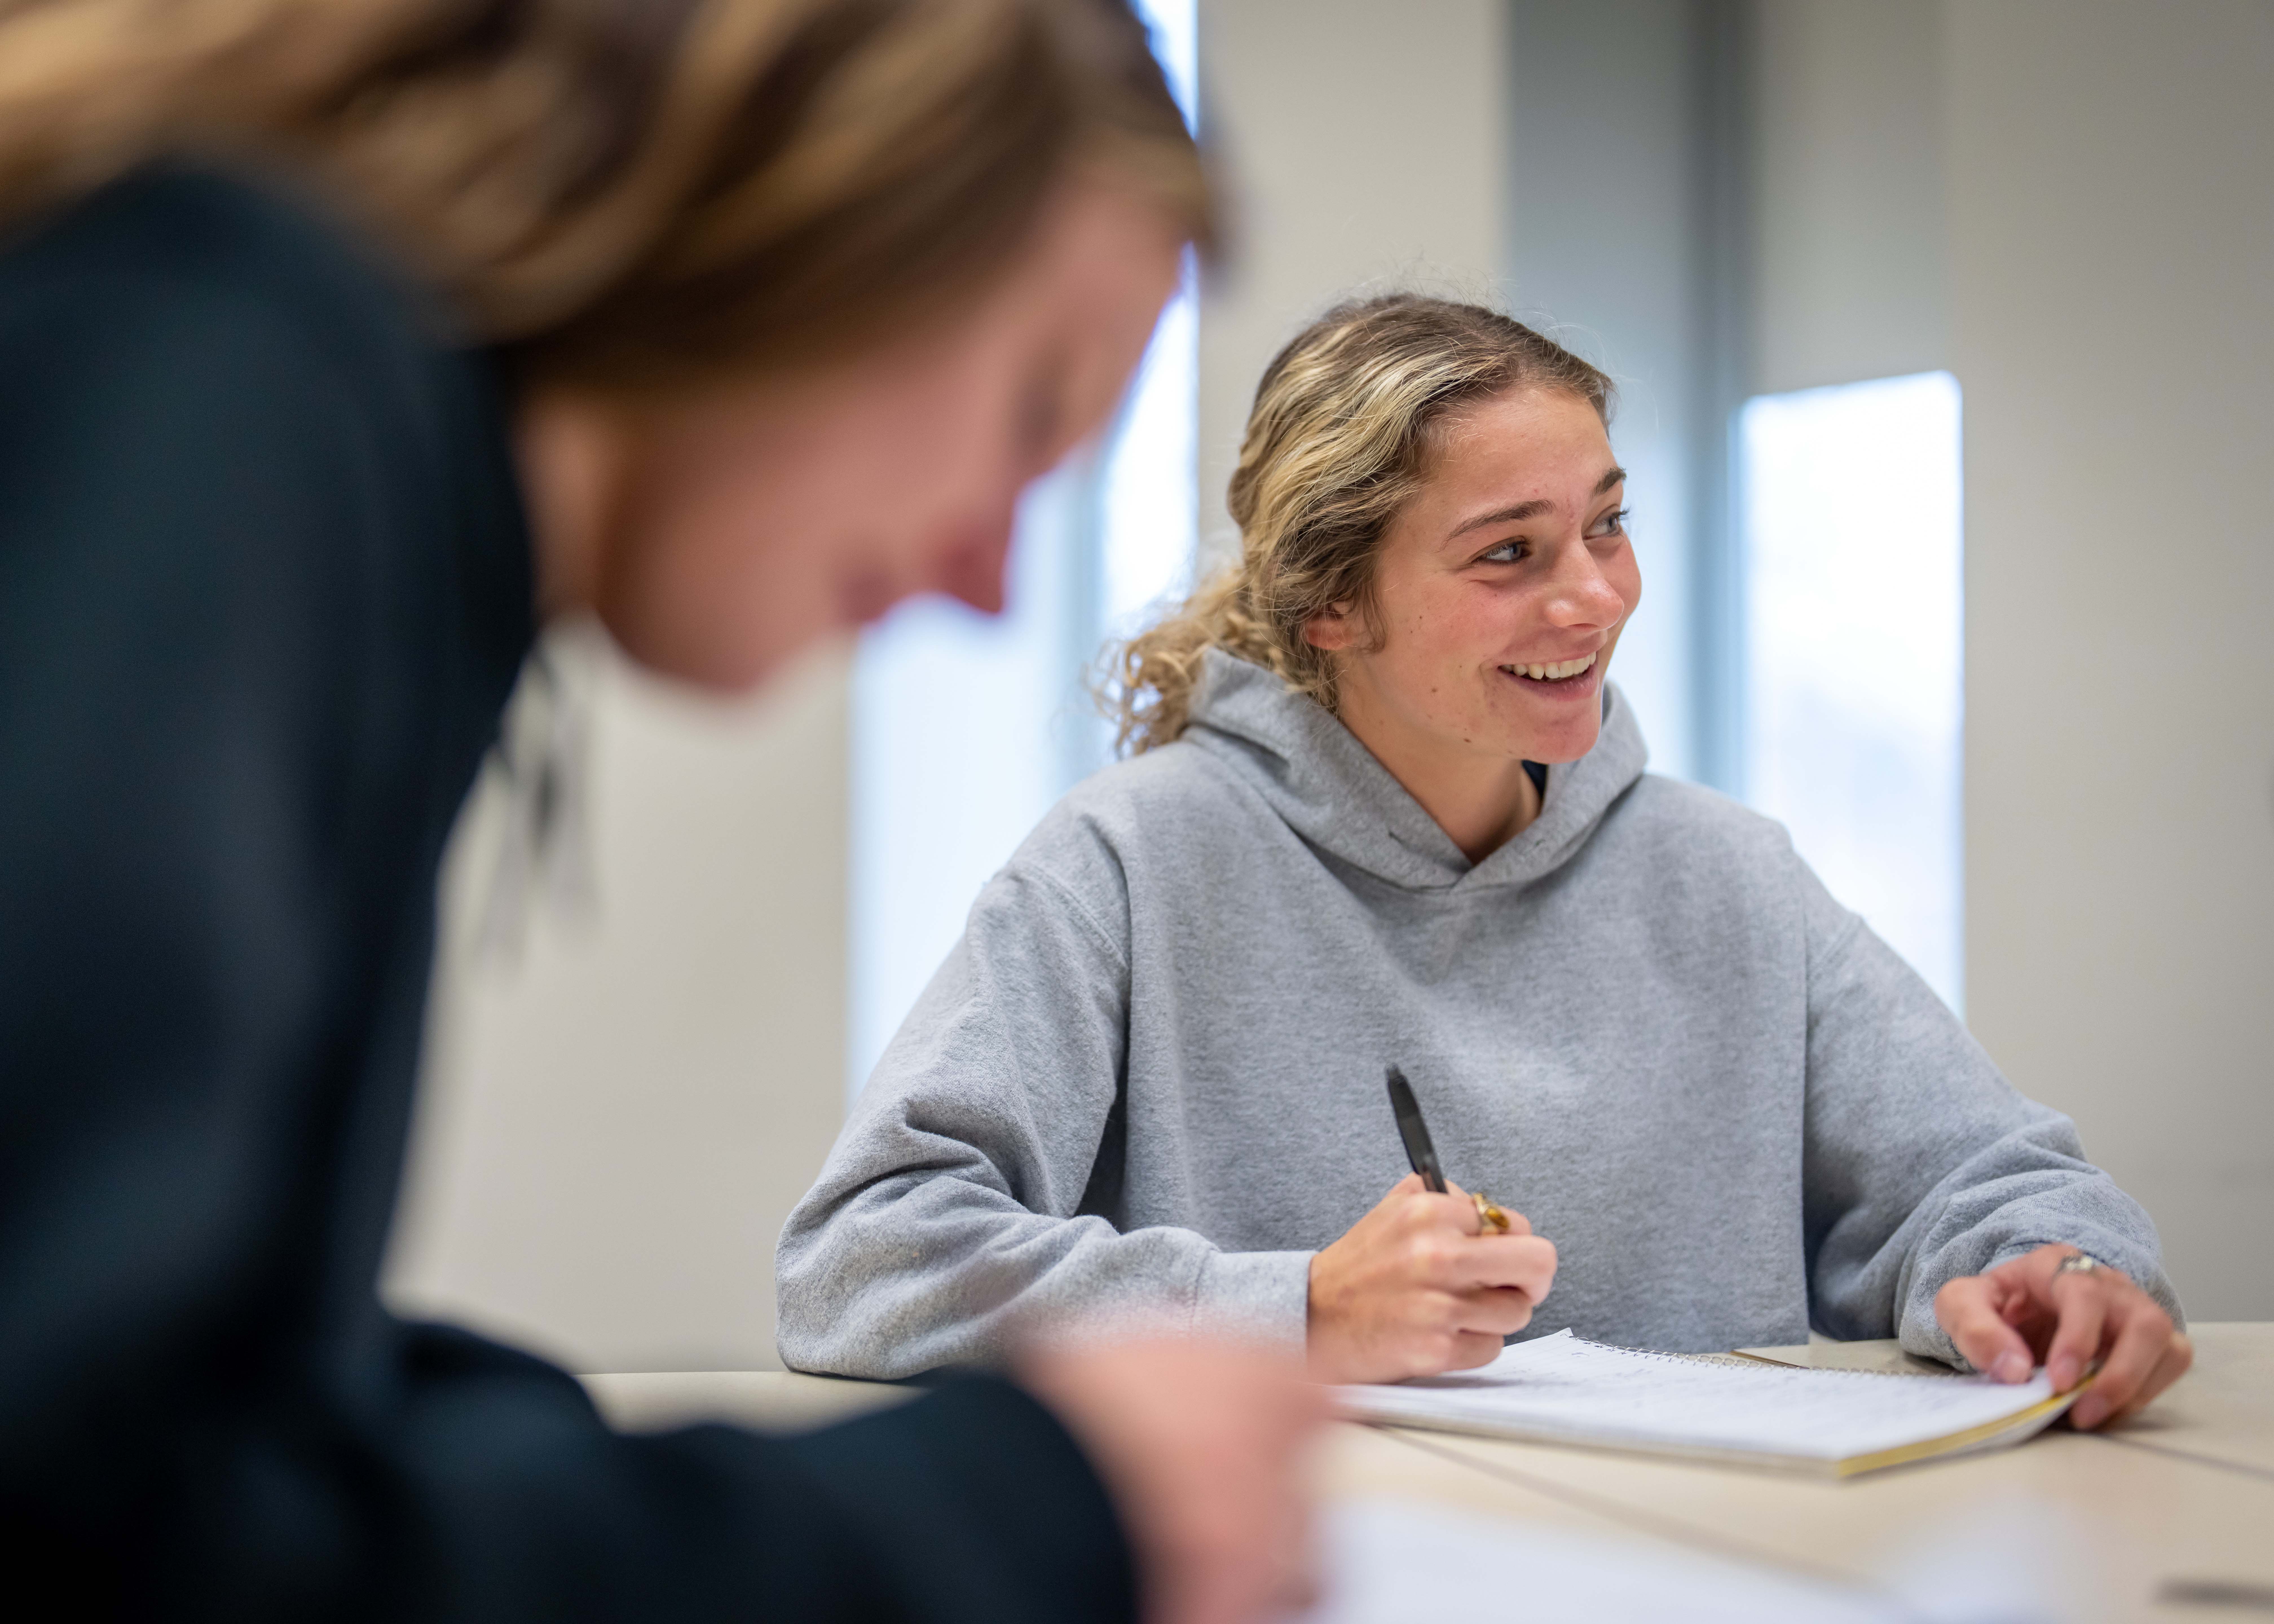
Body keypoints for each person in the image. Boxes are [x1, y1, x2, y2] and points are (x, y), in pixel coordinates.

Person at [0, 2, 1321, 1619]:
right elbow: (80, 1533)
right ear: (827, 209)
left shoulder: (304, 439)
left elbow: (199, 1389)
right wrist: (1010, 1507)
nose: (992, 584)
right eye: (1031, 413)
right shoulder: (221, 388)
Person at [778, 293, 2196, 1432]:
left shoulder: (1730, 875)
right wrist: (1298, 1312)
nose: (1593, 597)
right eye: (1509, 553)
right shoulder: (1130, 862)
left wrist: (2061, 1271)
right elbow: (864, 1262)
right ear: (1333, 607)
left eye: (1607, 525)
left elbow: (1996, 1182)